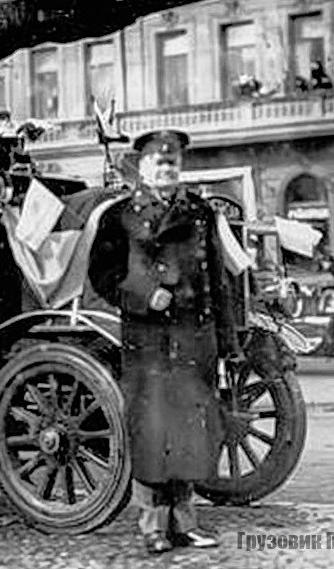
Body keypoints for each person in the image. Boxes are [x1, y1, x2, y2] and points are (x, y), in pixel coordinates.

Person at [88, 129, 242, 555]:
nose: (166, 170)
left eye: (172, 163)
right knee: (154, 433)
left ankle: (185, 524)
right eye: (158, 164)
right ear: (143, 168)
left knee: (191, 431)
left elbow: (217, 280)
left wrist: (226, 341)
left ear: (181, 168)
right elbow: (102, 276)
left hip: (195, 338)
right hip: (149, 339)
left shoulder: (201, 213)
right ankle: (153, 526)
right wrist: (142, 295)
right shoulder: (119, 216)